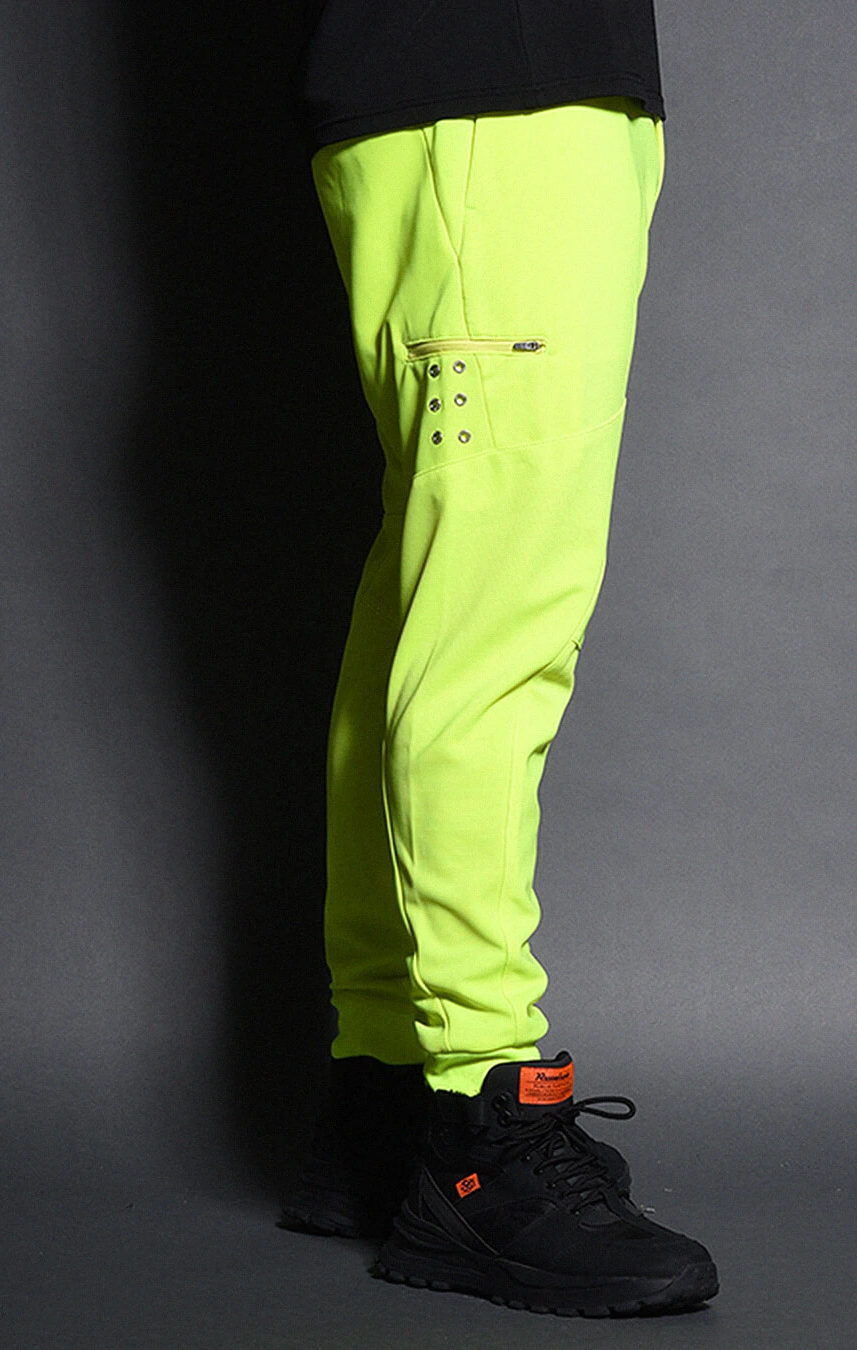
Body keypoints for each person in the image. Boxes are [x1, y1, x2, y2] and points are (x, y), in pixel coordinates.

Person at [279, 0, 719, 1317]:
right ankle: (481, 1111)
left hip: (496, 92)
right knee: (494, 636)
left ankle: (388, 1092)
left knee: (432, 597)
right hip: (495, 89)